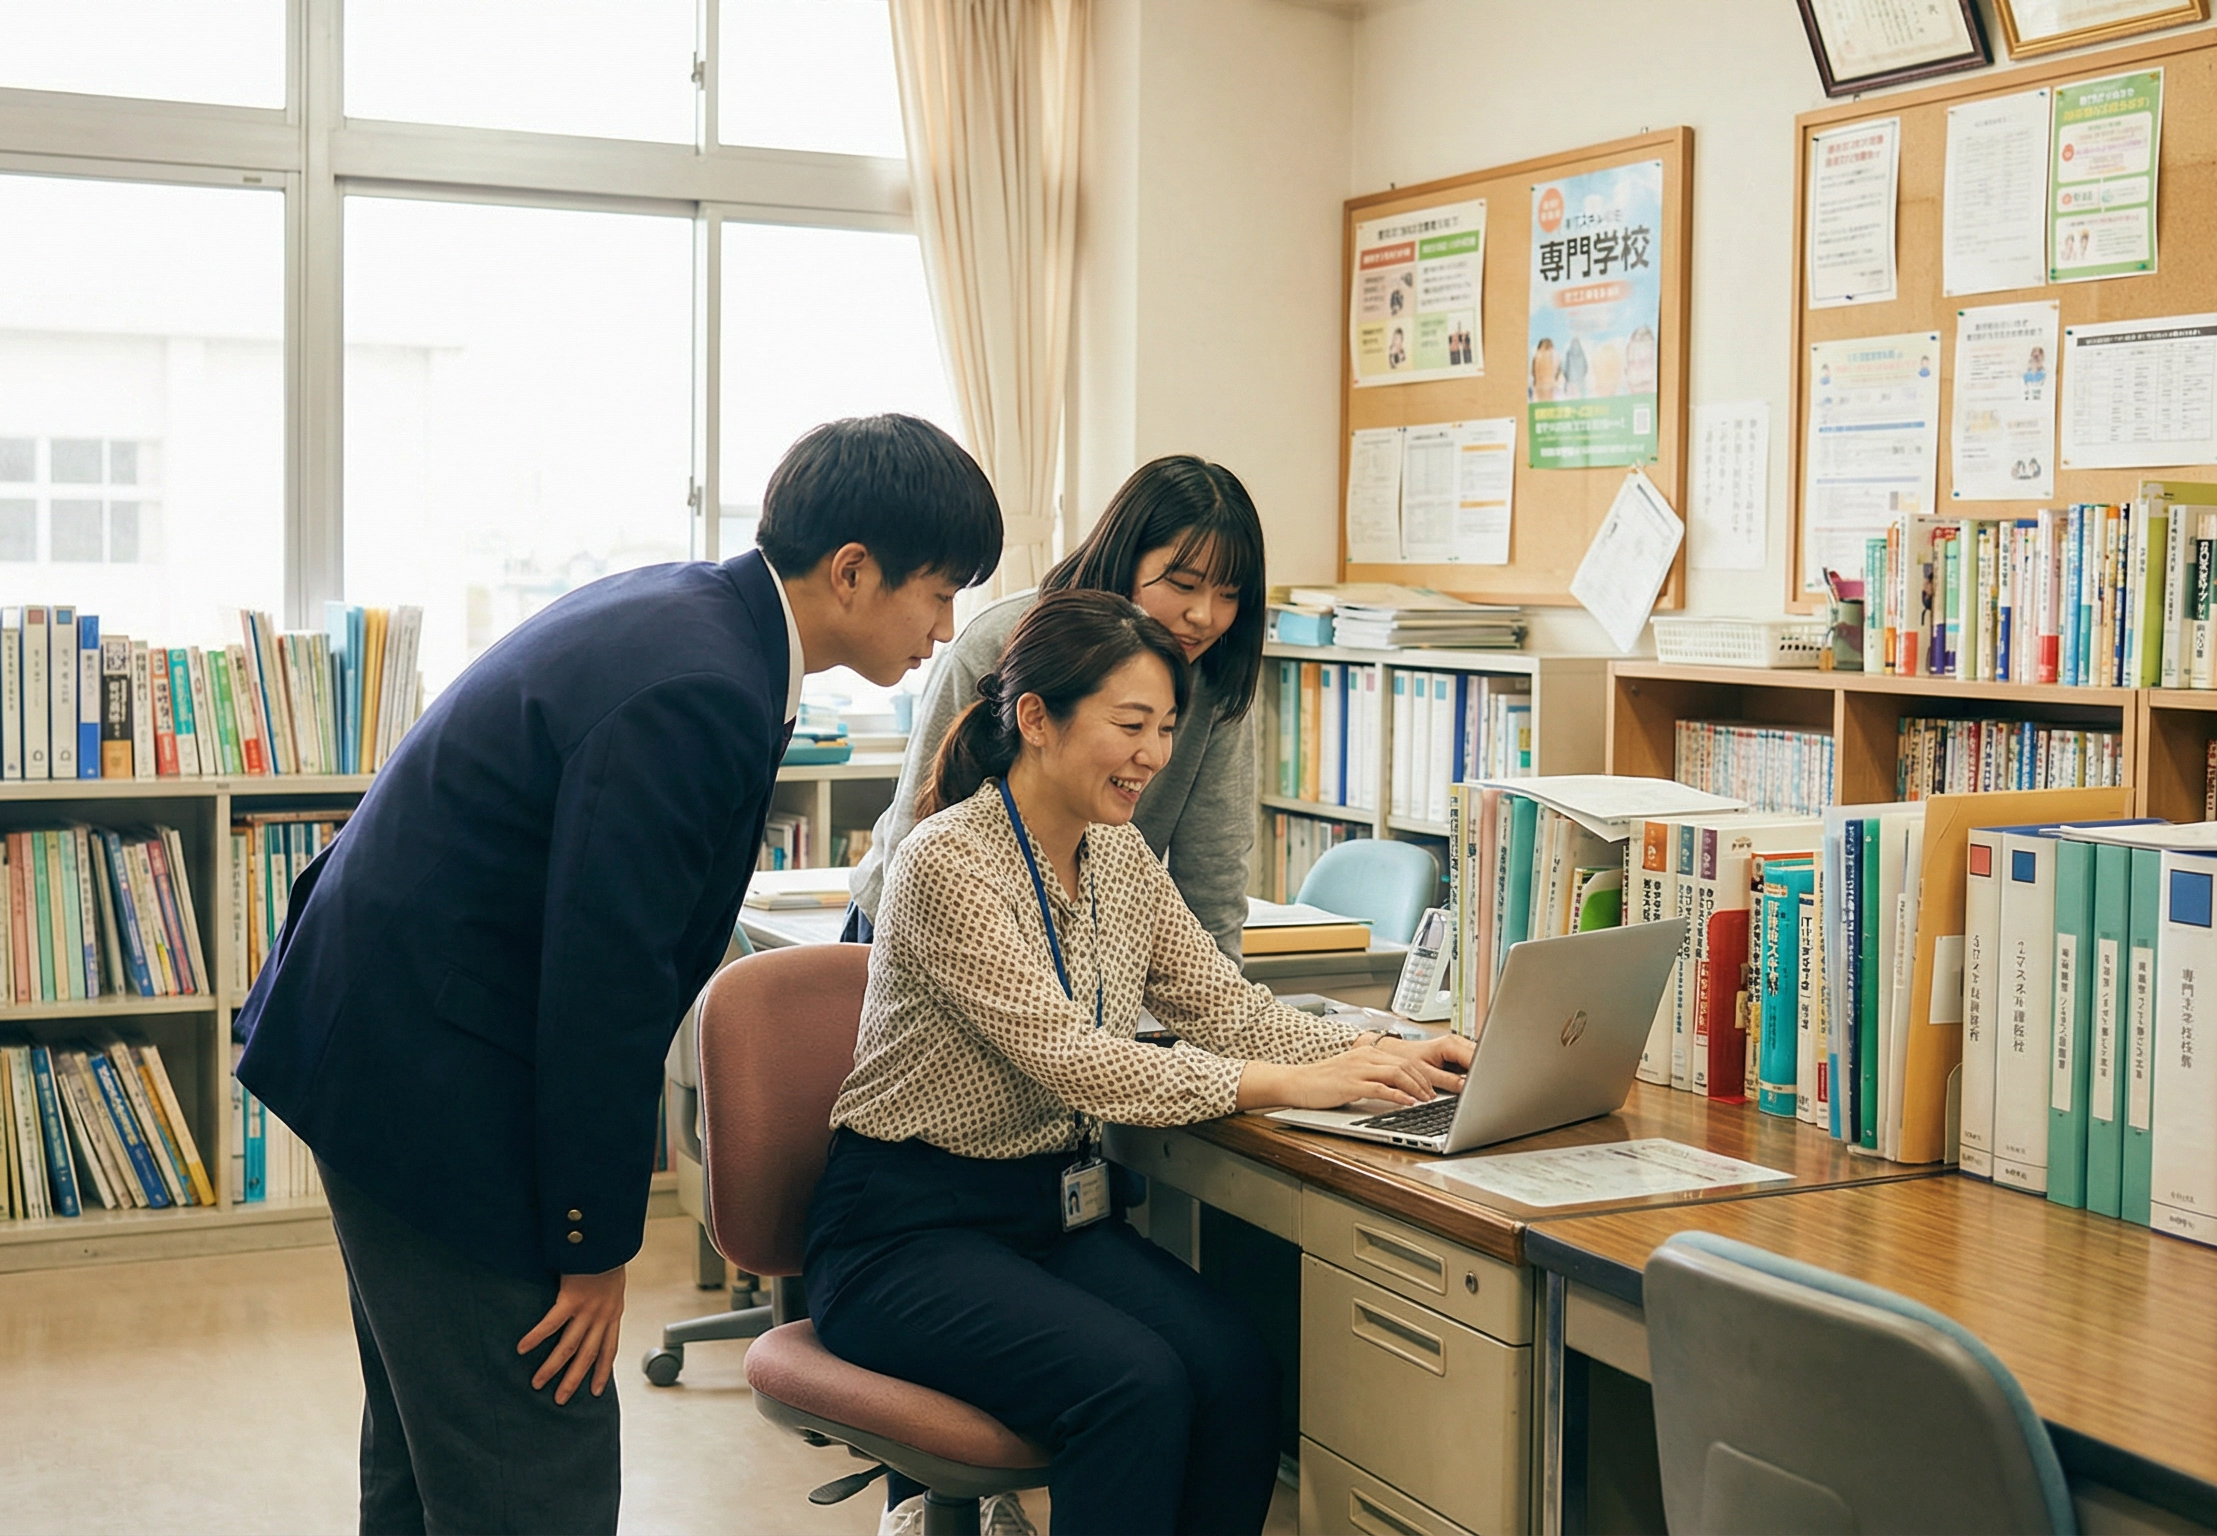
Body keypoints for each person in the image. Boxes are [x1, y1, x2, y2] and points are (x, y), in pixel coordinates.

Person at [234, 414, 1003, 1536]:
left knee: (429, 1445)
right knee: (532, 1464)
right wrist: (588, 1249)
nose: (944, 631)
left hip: (383, 1035)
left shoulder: (705, 620)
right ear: (850, 573)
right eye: (937, 594)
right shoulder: (699, 687)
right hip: (428, 1075)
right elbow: (604, 990)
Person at [809, 591, 1475, 1536]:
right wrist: (1287, 1084)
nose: (1155, 756)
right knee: (1133, 1387)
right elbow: (1075, 1060)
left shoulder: (1117, 853)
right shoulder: (946, 863)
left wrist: (1385, 1052)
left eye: (1166, 727)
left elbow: (1223, 1008)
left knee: (1238, 1370)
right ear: (1035, 719)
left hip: (1046, 1214)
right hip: (901, 1233)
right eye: (1131, 725)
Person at [849, 455, 1268, 957]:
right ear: (1125, 559)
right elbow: (916, 831)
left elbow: (1213, 884)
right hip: (936, 928)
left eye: (1229, 595)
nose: (1203, 616)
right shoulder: (1004, 640)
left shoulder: (1215, 680)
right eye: (1183, 585)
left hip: (1083, 943)